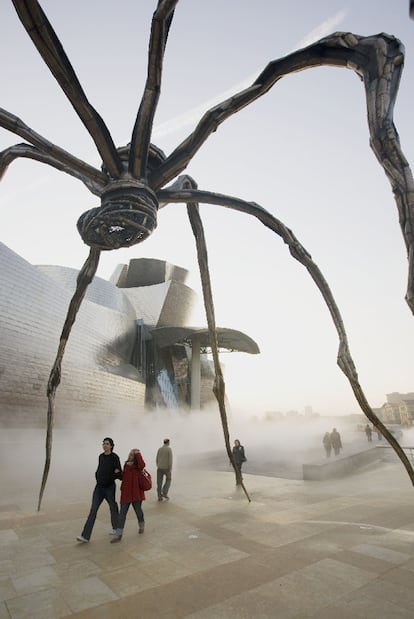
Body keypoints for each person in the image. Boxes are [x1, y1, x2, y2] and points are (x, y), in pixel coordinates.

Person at [76, 437, 122, 543]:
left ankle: (116, 528)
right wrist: (97, 476)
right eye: (103, 444)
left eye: (107, 444)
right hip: (99, 488)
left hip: (109, 487)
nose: (104, 445)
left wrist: (110, 477)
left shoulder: (115, 457)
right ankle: (85, 536)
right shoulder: (101, 456)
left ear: (111, 446)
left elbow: (119, 472)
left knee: (113, 507)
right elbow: (100, 468)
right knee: (93, 510)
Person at [110, 448, 147, 543]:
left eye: (131, 455)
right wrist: (117, 474)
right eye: (129, 454)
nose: (129, 456)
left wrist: (138, 453)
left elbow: (142, 465)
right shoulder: (126, 465)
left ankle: (141, 525)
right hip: (126, 493)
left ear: (135, 458)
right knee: (122, 514)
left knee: (138, 511)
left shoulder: (138, 467)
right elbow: (123, 477)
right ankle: (119, 534)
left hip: (136, 493)